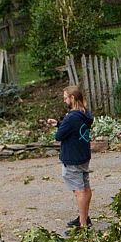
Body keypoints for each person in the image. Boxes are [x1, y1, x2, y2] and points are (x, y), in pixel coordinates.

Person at [48, 85, 95, 230]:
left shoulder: (71, 117)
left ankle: (82, 225)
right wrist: (59, 124)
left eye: (65, 98)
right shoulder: (84, 114)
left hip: (72, 159)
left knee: (79, 191)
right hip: (83, 156)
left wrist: (61, 126)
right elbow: (74, 128)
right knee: (85, 188)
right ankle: (84, 217)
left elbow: (59, 136)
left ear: (72, 98)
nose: (64, 101)